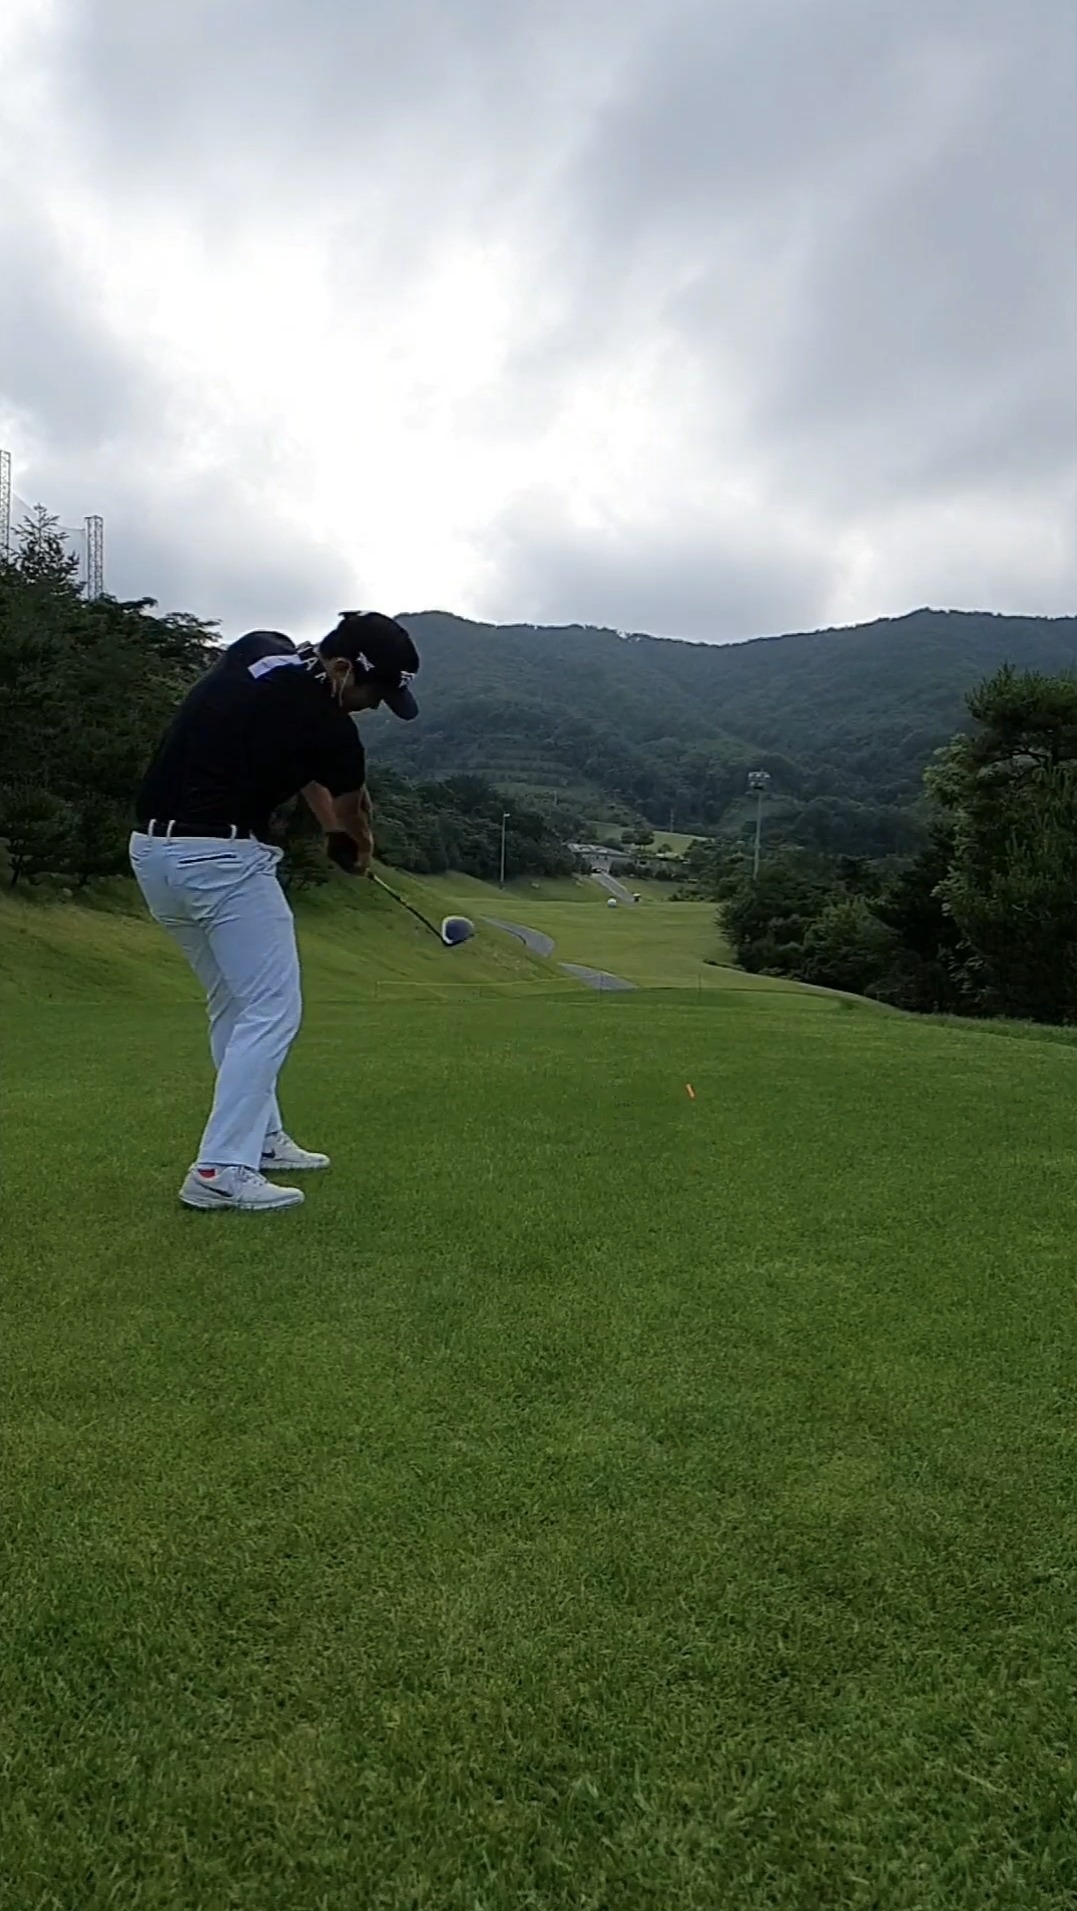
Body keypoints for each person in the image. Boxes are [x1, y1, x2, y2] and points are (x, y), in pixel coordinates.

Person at [129, 611, 420, 1213]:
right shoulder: (333, 730)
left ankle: (260, 1138)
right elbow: (353, 811)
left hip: (153, 855)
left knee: (234, 1006)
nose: (372, 706)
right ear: (343, 669)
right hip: (222, 859)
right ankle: (220, 1169)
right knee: (271, 1010)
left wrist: (332, 829)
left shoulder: (259, 648)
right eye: (373, 692)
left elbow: (308, 771)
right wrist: (357, 850)